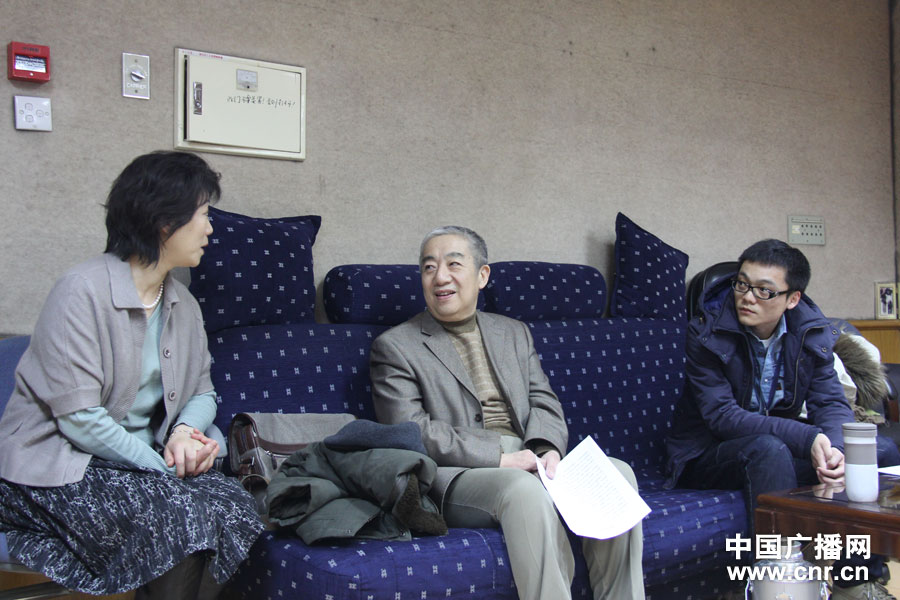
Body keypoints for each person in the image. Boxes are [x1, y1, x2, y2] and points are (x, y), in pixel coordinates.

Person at [0, 151, 264, 599]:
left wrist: (183, 434)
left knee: (235, 505)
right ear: (164, 222)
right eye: (203, 214)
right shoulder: (81, 291)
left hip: (138, 465)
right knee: (180, 516)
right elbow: (79, 418)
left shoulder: (184, 304)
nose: (210, 228)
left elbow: (202, 392)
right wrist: (162, 467)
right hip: (55, 467)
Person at [369, 225, 645, 600]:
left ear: (482, 275)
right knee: (522, 490)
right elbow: (409, 431)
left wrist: (547, 449)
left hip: (529, 456)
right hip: (457, 473)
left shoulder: (513, 332)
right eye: (429, 267)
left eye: (454, 264)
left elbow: (543, 400)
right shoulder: (395, 346)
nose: (440, 277)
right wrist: (500, 459)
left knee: (618, 475)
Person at [665, 239, 900, 600]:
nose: (747, 297)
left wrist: (837, 449)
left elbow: (829, 402)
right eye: (742, 284)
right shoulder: (705, 332)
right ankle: (779, 588)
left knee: (875, 449)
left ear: (793, 299)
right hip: (707, 453)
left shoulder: (811, 332)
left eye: (764, 290)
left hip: (775, 447)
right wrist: (807, 438)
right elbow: (722, 417)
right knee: (768, 450)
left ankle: (854, 582)